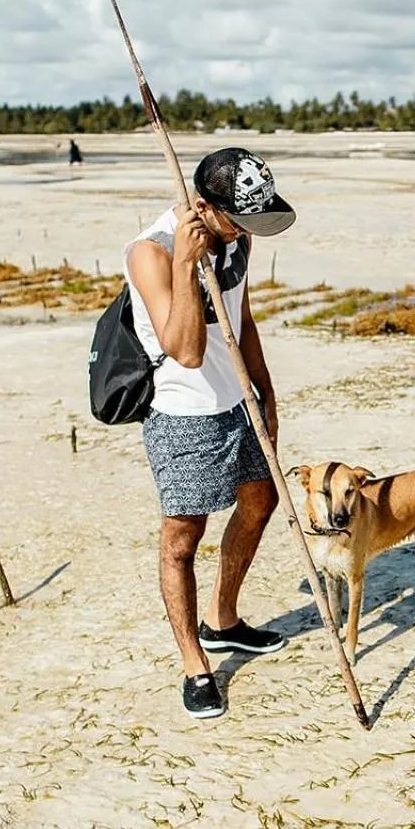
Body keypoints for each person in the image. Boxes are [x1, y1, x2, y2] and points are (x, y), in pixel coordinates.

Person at [123, 146, 298, 719]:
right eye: (239, 221)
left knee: (260, 502)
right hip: (183, 412)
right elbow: (188, 351)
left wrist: (266, 394)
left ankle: (223, 620)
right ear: (203, 209)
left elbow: (241, 319)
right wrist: (184, 266)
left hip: (239, 399)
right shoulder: (151, 253)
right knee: (182, 538)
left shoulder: (238, 238)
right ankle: (195, 663)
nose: (248, 232)